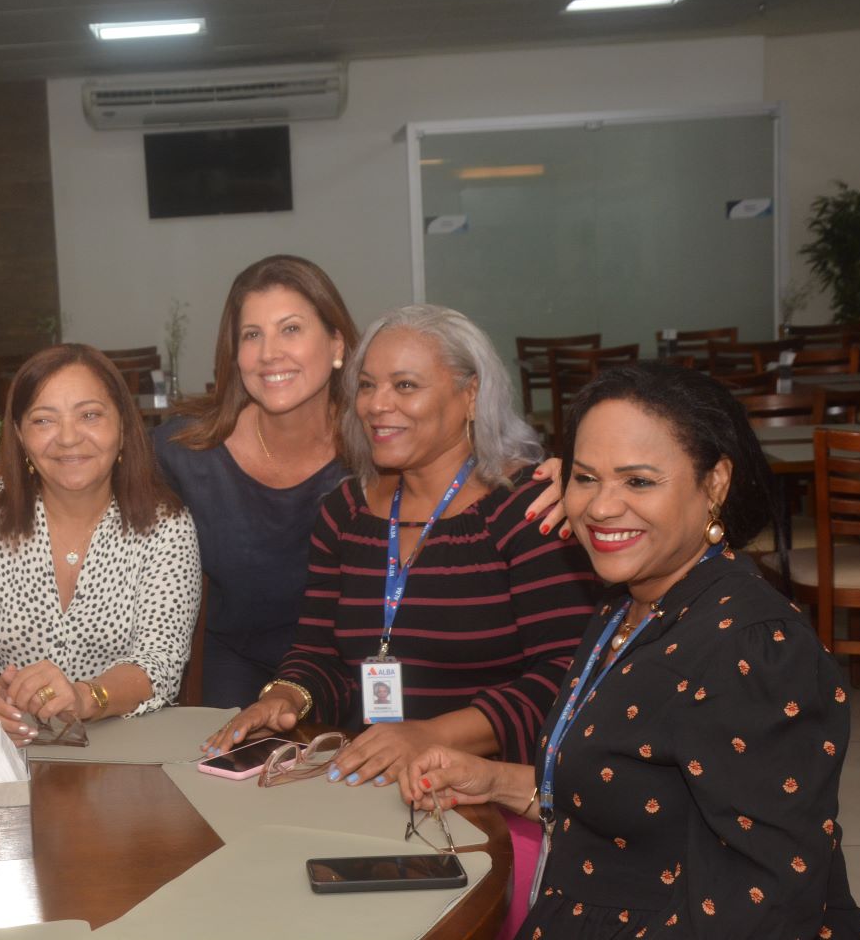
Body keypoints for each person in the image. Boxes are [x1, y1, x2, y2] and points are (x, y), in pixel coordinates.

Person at [0, 256, 571, 707]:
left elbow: (485, 463)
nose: (270, 353)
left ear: (337, 345)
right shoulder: (187, 454)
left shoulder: (384, 442)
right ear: (234, 354)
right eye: (252, 335)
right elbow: (85, 461)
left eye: (291, 329)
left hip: (366, 674)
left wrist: (573, 481)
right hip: (239, 675)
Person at [401, 362, 860, 939]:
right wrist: (495, 781)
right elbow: (638, 800)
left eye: (638, 481)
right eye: (585, 478)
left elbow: (765, 909)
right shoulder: (629, 605)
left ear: (715, 483)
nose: (601, 507)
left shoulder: (751, 649)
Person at [203, 304, 599, 939]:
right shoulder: (344, 512)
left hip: (494, 803)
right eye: (367, 386)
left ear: (470, 395)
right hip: (369, 790)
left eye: (405, 385)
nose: (377, 405)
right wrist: (286, 696)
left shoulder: (527, 509)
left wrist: (431, 735)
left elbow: (564, 678)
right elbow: (320, 651)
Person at [0, 344, 200, 743]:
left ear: (123, 426)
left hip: (124, 750)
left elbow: (160, 663)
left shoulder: (166, 526)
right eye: (43, 420)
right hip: (3, 749)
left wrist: (85, 697)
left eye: (89, 415)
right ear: (19, 435)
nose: (68, 438)